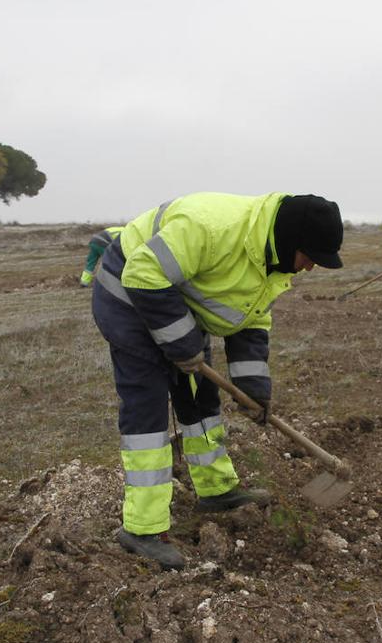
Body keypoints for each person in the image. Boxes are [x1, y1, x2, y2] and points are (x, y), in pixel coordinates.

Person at [92, 192, 344, 569]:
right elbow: (143, 273)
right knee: (147, 409)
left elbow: (249, 321)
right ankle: (142, 528)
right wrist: (180, 343)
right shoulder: (212, 228)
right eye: (309, 257)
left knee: (200, 396)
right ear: (292, 240)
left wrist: (252, 390)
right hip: (128, 294)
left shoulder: (272, 262)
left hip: (174, 299)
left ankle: (216, 490)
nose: (309, 268)